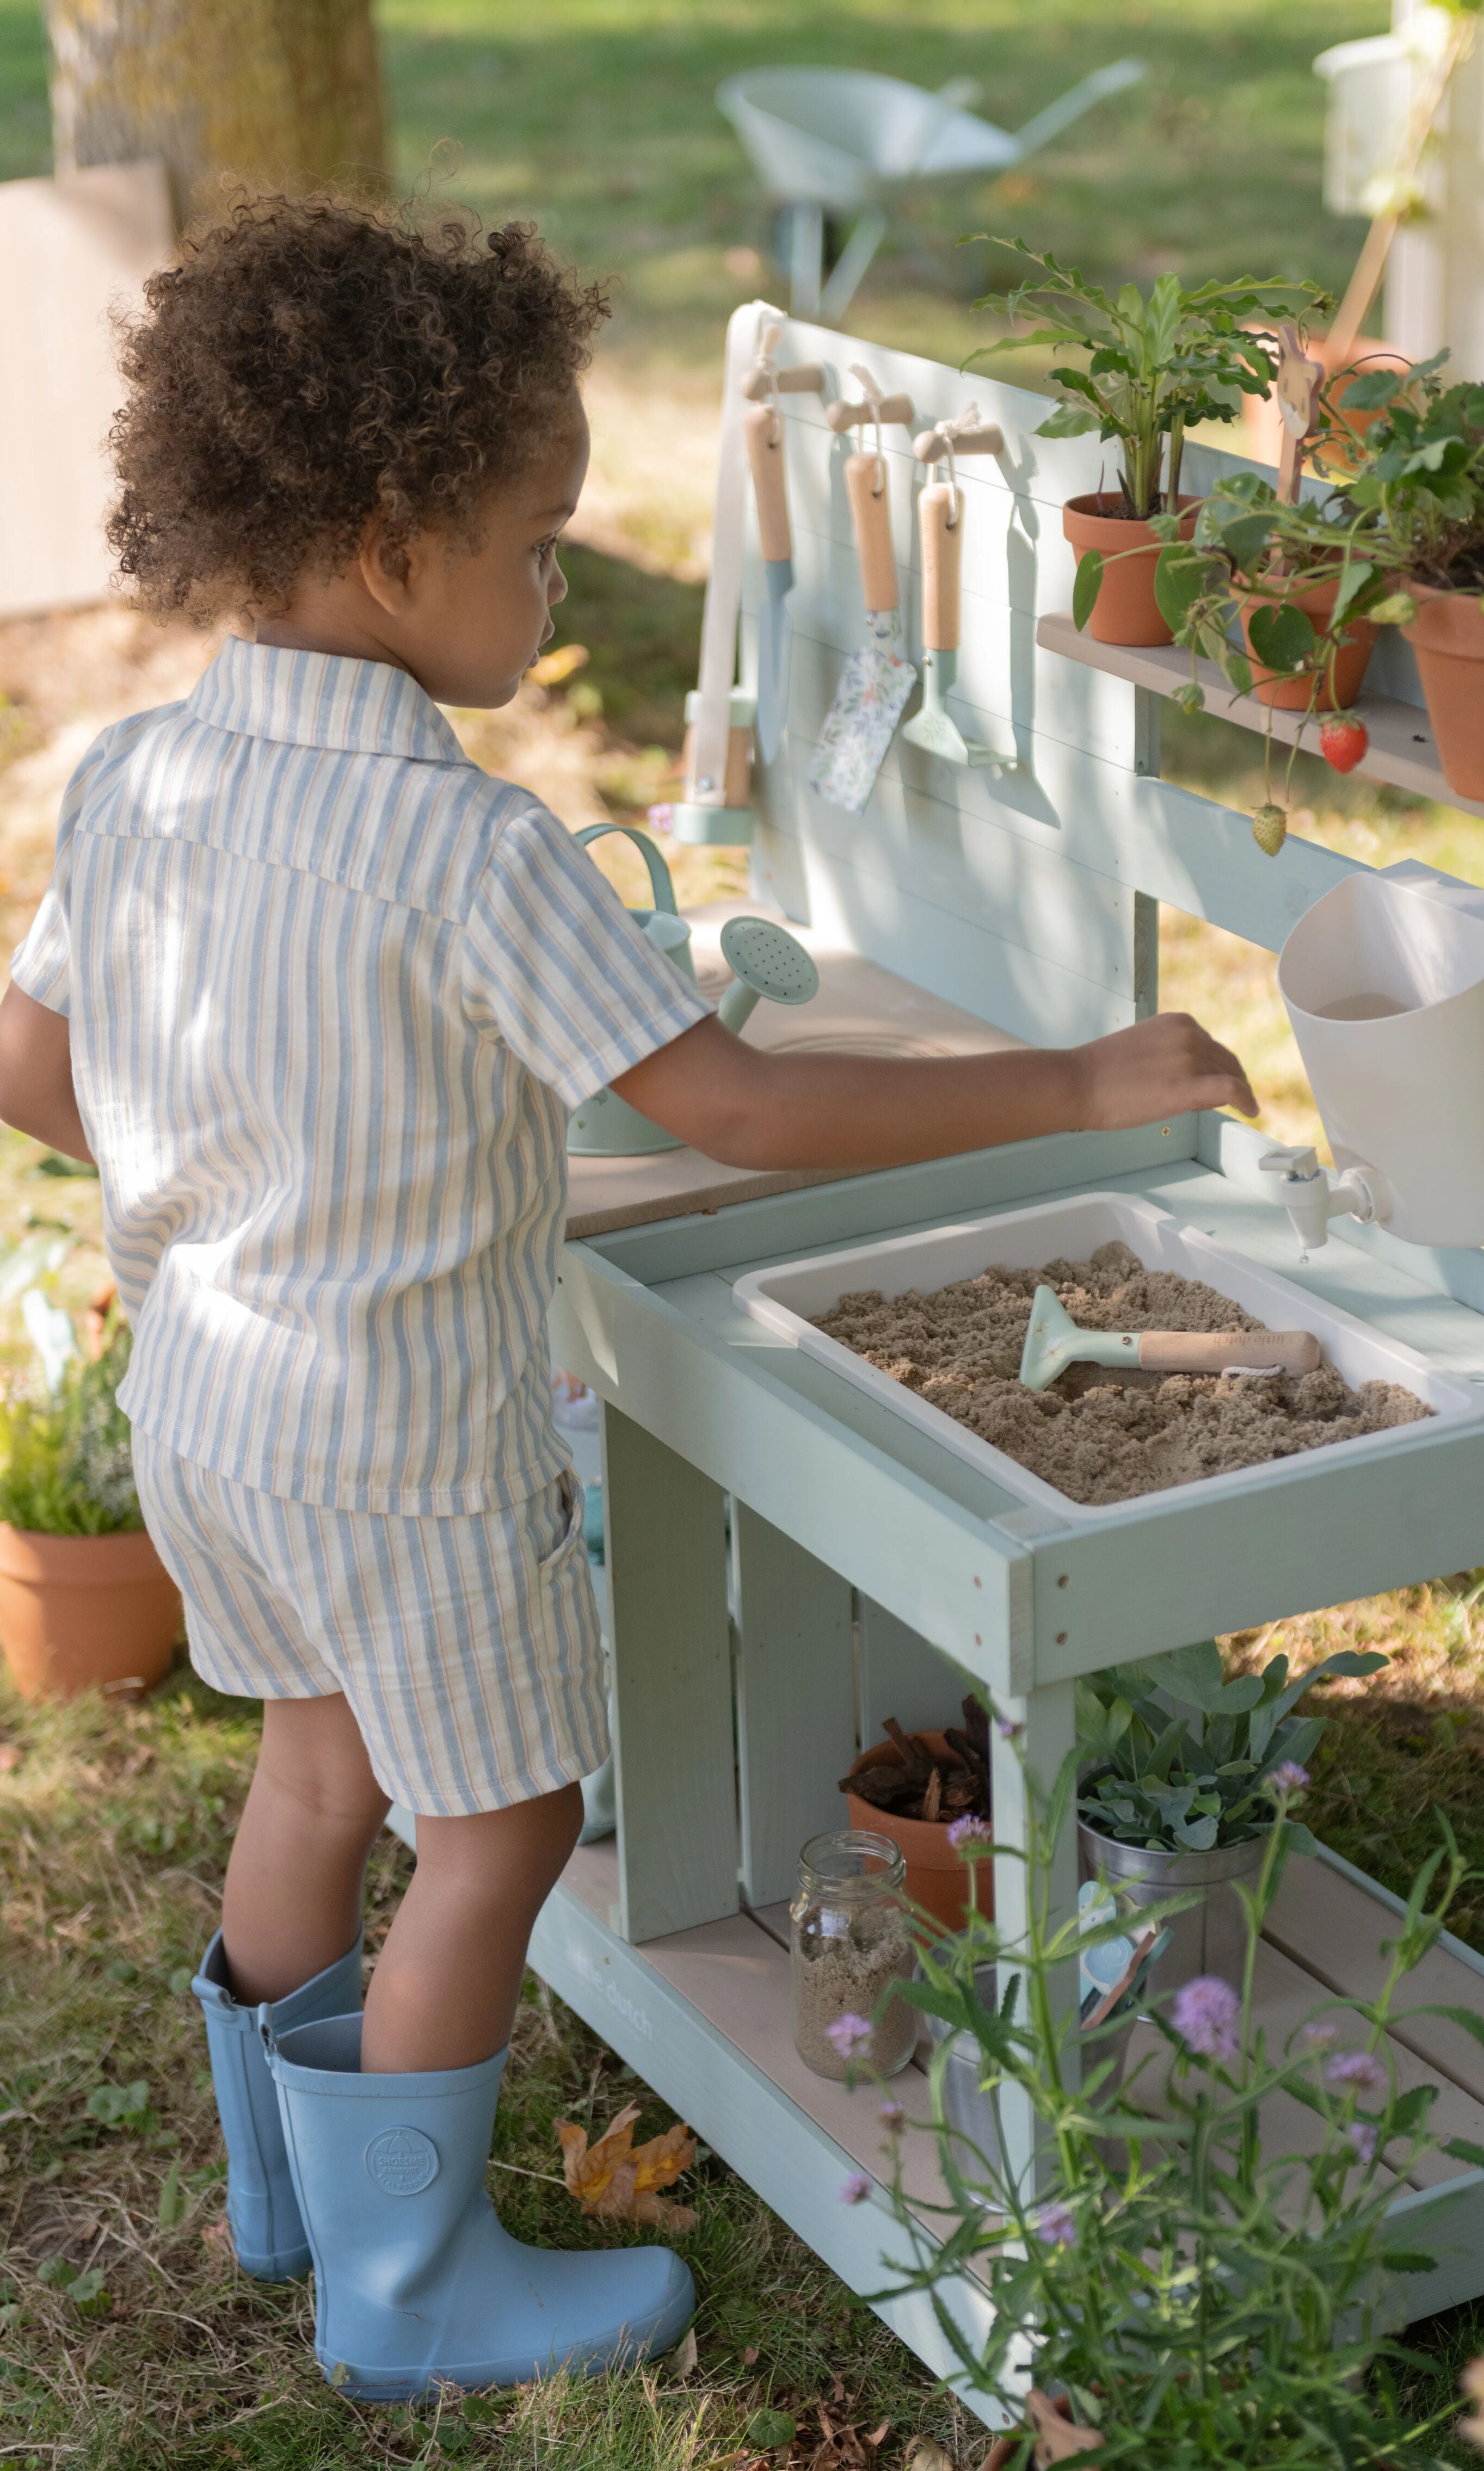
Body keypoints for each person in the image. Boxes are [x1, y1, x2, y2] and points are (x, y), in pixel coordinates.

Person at [0, 193, 1258, 2402]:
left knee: (313, 1761)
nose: (552, 576)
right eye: (534, 534)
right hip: (402, 1440)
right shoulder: (468, 849)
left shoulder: (139, 771)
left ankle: (279, 2191)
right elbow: (742, 1112)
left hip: (211, 1397)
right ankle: (411, 2285)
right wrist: (1074, 1074)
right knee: (484, 1825)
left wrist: (267, 1156)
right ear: (395, 541)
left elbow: (35, 1059)